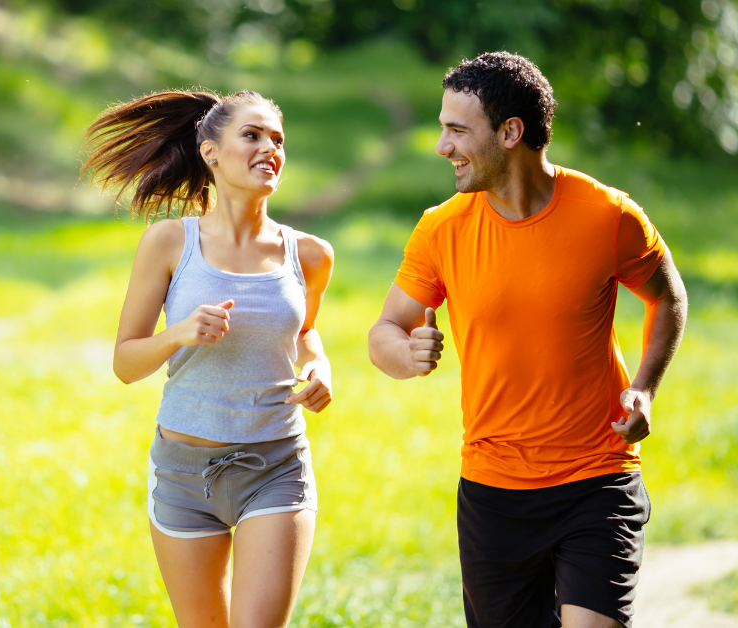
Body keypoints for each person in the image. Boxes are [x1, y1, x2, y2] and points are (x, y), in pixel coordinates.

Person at [367, 52, 688, 628]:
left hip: (598, 476)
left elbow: (667, 297)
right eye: (443, 128)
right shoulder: (442, 228)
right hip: (494, 490)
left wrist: (645, 389)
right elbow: (385, 329)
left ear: (511, 132)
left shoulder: (607, 215)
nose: (443, 147)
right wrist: (407, 355)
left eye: (457, 130)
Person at [83, 89, 335, 628]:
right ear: (210, 151)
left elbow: (307, 334)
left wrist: (319, 368)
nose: (270, 147)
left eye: (278, 139)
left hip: (274, 465)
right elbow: (126, 363)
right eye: (253, 135)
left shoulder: (309, 254)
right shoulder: (170, 243)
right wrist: (180, 333)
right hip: (182, 471)